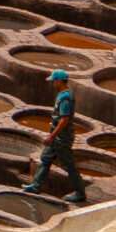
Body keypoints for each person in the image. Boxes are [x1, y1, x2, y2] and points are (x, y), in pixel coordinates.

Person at [22, 74, 87, 203]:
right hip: (57, 137)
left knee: (69, 165)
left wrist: (52, 136)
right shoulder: (63, 94)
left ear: (59, 81)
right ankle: (35, 186)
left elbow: (64, 119)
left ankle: (80, 193)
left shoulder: (66, 98)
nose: (53, 84)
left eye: (54, 81)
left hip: (61, 138)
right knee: (45, 159)